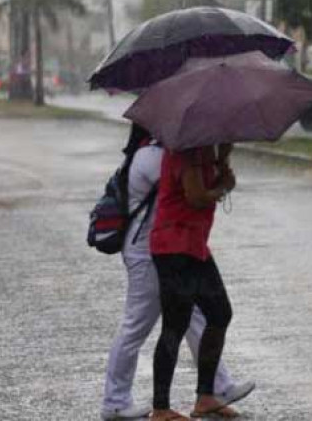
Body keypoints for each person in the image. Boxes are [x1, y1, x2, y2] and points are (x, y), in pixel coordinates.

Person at [101, 126, 253, 421]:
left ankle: (213, 391)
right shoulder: (159, 155)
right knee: (152, 324)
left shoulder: (188, 150)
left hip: (189, 245)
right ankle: (122, 403)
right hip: (159, 249)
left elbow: (205, 184)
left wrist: (222, 157)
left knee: (210, 314)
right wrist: (221, 174)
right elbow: (195, 193)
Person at [149, 143, 240, 421]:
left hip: (195, 245)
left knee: (219, 312)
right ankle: (161, 408)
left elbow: (213, 185)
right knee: (175, 324)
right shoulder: (185, 149)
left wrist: (223, 159)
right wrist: (223, 187)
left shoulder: (204, 151)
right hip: (173, 246)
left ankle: (205, 396)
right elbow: (197, 197)